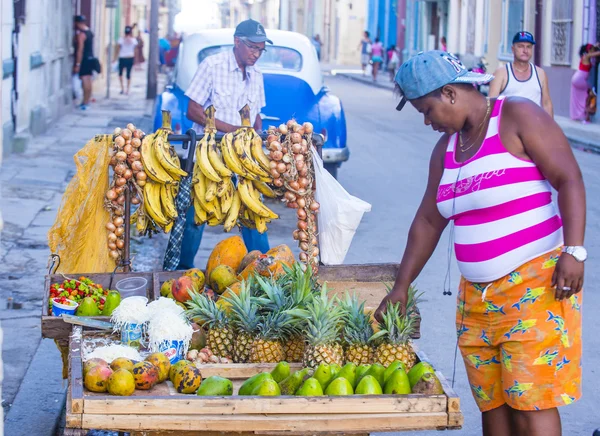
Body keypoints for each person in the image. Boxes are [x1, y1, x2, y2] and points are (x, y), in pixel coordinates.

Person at [378, 50, 585, 436]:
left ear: (450, 94)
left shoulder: (517, 116)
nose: (426, 121)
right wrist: (401, 287)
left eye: (427, 110)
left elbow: (570, 178)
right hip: (476, 300)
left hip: (534, 289)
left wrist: (574, 250)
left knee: (532, 403)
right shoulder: (446, 152)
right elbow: (428, 220)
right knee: (493, 405)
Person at [179, 19, 272, 270]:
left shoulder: (257, 74)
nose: (256, 54)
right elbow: (193, 110)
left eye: (261, 49)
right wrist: (232, 131)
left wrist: (258, 136)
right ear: (237, 42)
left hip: (242, 157)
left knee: (252, 214)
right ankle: (179, 272)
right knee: (195, 217)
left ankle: (265, 269)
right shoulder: (212, 66)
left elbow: (257, 114)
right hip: (210, 156)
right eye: (253, 48)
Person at [489, 31, 553, 117]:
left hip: (534, 125)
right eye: (520, 46)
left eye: (529, 47)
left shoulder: (540, 74)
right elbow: (491, 104)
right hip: (509, 126)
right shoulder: (501, 73)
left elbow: (546, 103)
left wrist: (550, 127)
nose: (525, 51)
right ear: (513, 49)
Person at [570, 44, 600, 122]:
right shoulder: (587, 56)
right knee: (591, 94)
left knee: (583, 96)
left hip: (577, 78)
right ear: (589, 50)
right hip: (579, 79)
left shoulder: (585, 56)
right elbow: (598, 53)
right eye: (593, 49)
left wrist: (596, 45)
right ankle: (586, 115)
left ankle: (582, 115)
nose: (594, 50)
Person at [73, 15, 95, 110]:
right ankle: (86, 101)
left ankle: (85, 103)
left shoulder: (81, 34)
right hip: (90, 57)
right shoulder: (89, 31)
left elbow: (80, 50)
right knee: (89, 81)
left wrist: (78, 63)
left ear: (77, 23)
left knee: (85, 81)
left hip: (84, 59)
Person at [115, 26, 138, 95]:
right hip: (130, 57)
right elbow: (135, 50)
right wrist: (136, 59)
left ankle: (122, 88)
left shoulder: (121, 39)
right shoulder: (133, 40)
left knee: (120, 73)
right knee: (128, 74)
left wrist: (115, 58)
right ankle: (127, 89)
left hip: (122, 57)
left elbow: (118, 49)